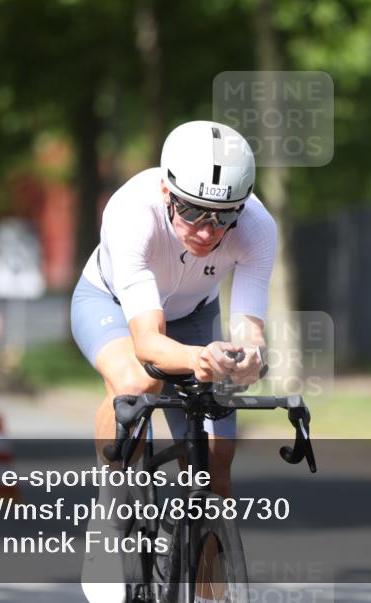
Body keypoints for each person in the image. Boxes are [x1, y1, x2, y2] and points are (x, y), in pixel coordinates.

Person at [70, 120, 276, 602]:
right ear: (167, 191)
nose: (206, 232)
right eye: (191, 212)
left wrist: (249, 359)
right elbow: (147, 342)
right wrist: (199, 358)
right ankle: (111, 507)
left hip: (195, 317)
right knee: (136, 385)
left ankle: (209, 594)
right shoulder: (131, 210)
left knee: (216, 466)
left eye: (223, 217)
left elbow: (250, 330)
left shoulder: (258, 228)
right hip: (113, 307)